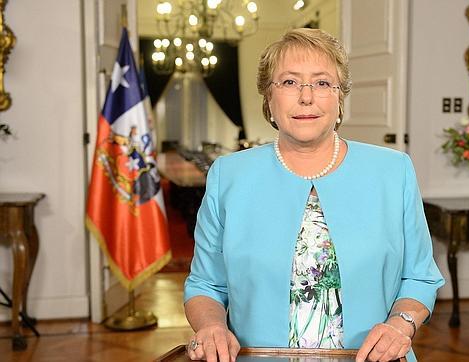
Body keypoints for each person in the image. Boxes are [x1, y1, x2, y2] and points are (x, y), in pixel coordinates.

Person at [184, 28, 444, 362]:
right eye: (290, 82)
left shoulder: (393, 171)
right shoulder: (229, 175)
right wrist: (210, 327)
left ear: (339, 97)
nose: (306, 97)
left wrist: (401, 324)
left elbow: (420, 276)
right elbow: (205, 284)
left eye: (322, 83)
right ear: (268, 97)